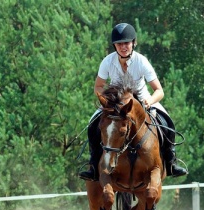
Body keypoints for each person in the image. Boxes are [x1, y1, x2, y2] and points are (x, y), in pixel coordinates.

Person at [79, 22, 188, 181]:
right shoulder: (107, 61)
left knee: (167, 122)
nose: (123, 47)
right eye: (119, 44)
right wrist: (108, 101)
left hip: (143, 101)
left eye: (127, 43)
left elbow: (159, 91)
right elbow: (98, 87)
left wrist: (149, 101)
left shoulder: (141, 61)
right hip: (116, 105)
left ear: (133, 43)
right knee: (93, 124)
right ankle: (93, 165)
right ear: (115, 46)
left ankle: (171, 162)